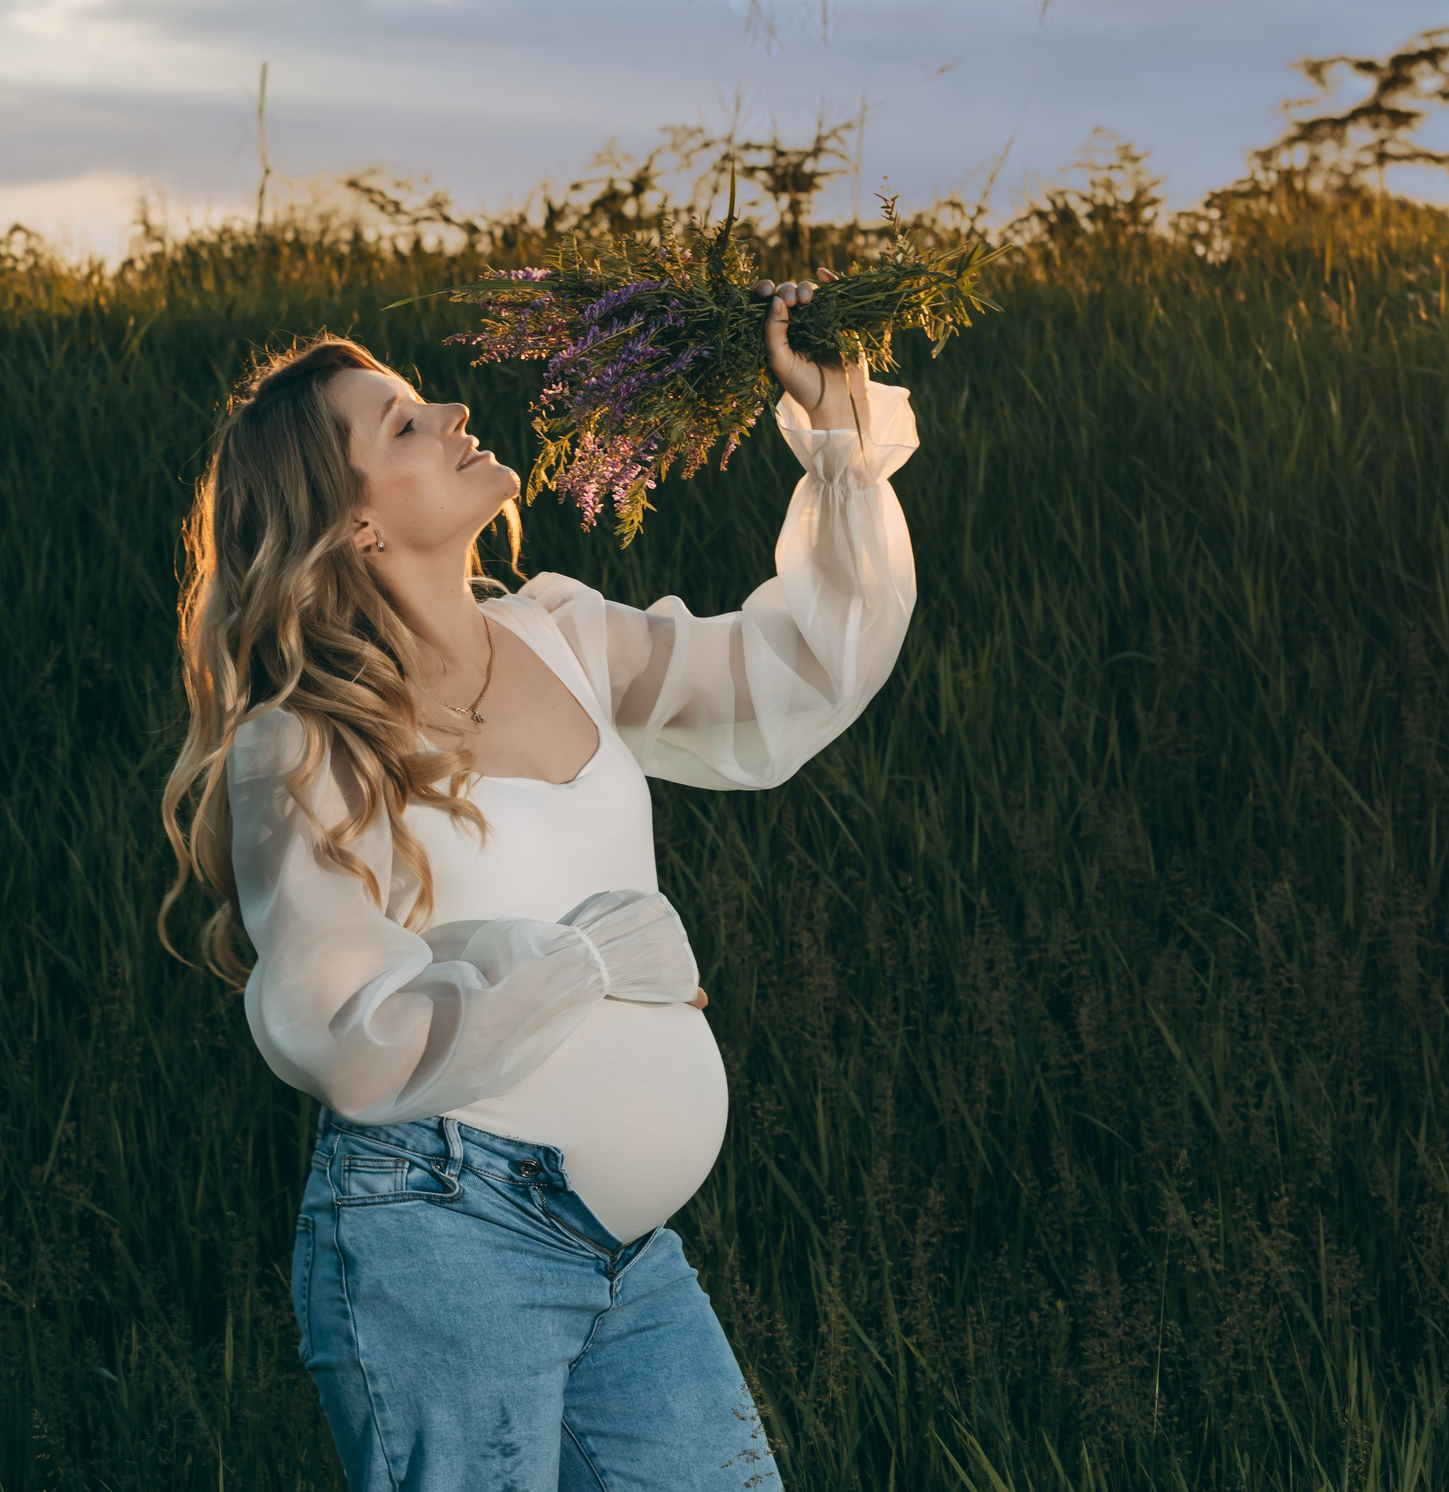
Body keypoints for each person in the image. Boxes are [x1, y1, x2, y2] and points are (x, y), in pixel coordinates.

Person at [160, 278, 920, 1491]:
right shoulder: (306, 745)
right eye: (404, 424)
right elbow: (340, 1028)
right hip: (443, 1237)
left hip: (629, 1255)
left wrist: (838, 444)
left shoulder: (564, 633)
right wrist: (583, 964)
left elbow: (798, 670)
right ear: (352, 524)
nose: (455, 411)